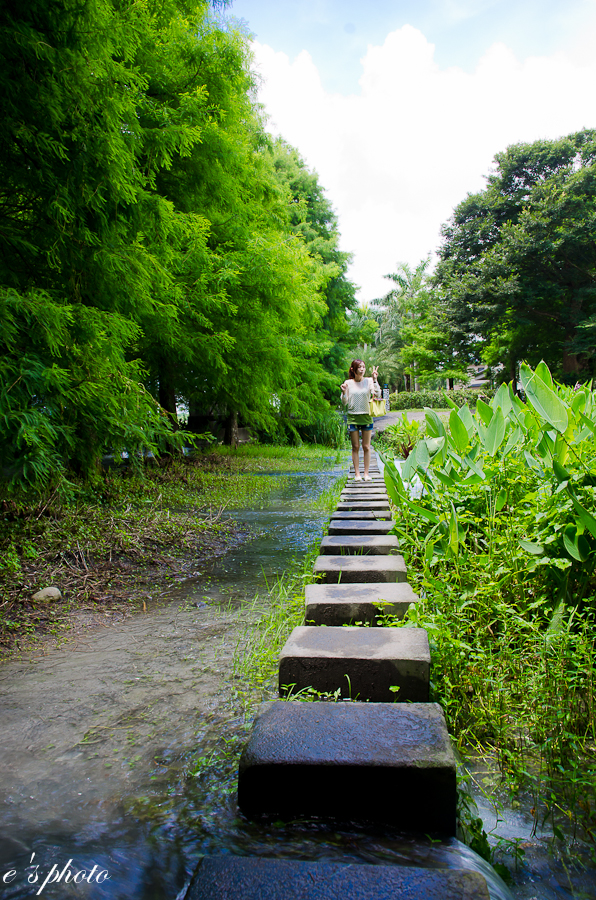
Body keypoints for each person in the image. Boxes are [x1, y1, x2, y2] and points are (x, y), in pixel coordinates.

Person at [340, 359, 381, 481]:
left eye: (363, 367)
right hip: (353, 417)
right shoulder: (348, 383)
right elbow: (344, 402)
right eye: (360, 367)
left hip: (366, 416)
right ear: (353, 369)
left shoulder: (368, 381)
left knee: (366, 446)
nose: (362, 369)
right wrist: (343, 393)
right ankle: (357, 474)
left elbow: (377, 394)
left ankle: (366, 473)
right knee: (356, 446)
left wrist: (375, 380)